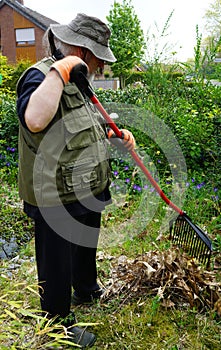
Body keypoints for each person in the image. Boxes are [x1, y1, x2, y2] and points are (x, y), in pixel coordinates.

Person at [16, 13, 135, 348]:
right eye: (97, 58)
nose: (100, 66)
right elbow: (36, 120)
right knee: (56, 262)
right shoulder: (41, 77)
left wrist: (115, 135)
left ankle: (86, 289)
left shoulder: (80, 81)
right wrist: (60, 69)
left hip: (87, 183)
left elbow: (81, 127)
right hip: (55, 192)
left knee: (85, 244)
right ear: (82, 52)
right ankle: (59, 324)